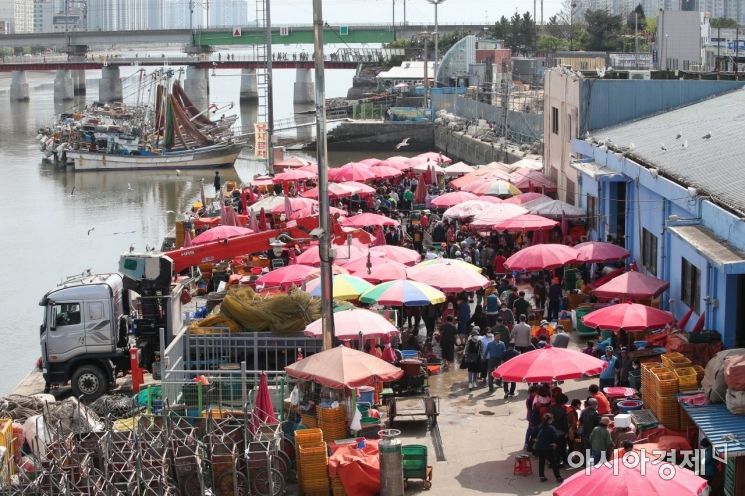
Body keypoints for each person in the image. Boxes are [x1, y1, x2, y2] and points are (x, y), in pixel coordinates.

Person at [533, 413, 564, 483]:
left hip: (540, 448)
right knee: (553, 463)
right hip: (548, 448)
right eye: (552, 419)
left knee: (541, 462)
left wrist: (536, 440)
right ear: (549, 420)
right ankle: (558, 477)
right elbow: (555, 437)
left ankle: (541, 476)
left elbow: (534, 434)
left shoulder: (539, 426)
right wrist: (555, 443)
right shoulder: (551, 428)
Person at [549, 394, 570, 466]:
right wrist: (566, 432)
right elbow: (565, 423)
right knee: (562, 447)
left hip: (552, 430)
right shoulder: (563, 411)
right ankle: (562, 461)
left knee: (554, 448)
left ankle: (555, 462)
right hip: (560, 431)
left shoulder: (550, 407)